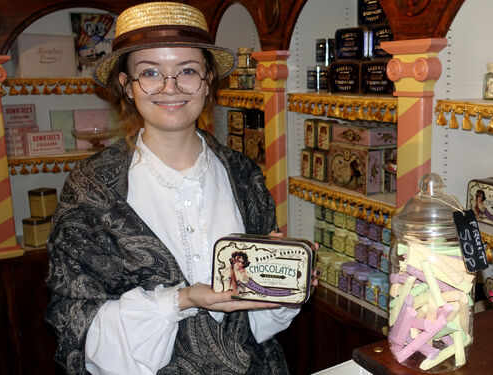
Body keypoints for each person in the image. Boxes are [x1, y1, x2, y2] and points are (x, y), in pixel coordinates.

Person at [45, 3, 316, 374]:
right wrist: (181, 300)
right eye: (150, 73)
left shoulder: (243, 174)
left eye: (187, 71)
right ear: (126, 85)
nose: (170, 88)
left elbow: (258, 319)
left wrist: (286, 286)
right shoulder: (92, 189)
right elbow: (78, 323)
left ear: (207, 82)